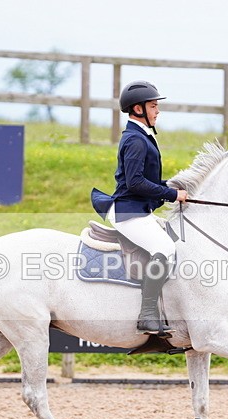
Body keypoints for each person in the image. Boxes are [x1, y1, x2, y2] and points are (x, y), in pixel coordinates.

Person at [91, 80, 187, 336]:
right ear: (137, 109)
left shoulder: (142, 136)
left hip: (139, 210)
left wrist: (176, 186)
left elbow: (148, 180)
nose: (157, 111)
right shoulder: (135, 139)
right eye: (153, 106)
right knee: (165, 248)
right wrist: (171, 194)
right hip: (128, 212)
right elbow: (135, 182)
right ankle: (147, 314)